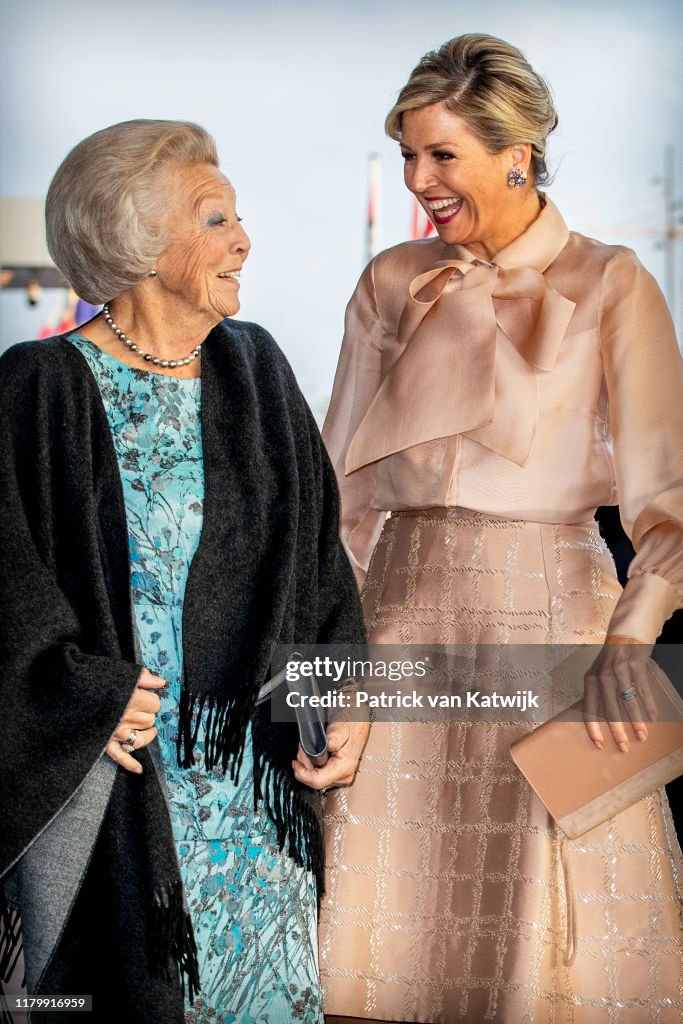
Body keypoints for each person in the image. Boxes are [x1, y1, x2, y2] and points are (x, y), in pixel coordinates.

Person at [318, 34, 683, 1024]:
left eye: (440, 155)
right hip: (401, 620)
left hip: (568, 629)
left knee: (568, 959)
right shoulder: (390, 282)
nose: (417, 179)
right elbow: (339, 505)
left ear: (513, 150)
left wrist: (630, 640)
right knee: (374, 944)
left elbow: (668, 507)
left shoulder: (613, 286)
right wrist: (326, 670)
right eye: (405, 154)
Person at [0, 119, 368, 1024]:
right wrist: (77, 688)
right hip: (114, 783)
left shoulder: (259, 369)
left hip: (253, 803)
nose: (242, 238)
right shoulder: (37, 385)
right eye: (213, 217)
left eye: (237, 216)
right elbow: (4, 582)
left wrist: (345, 694)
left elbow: (319, 564)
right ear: (133, 237)